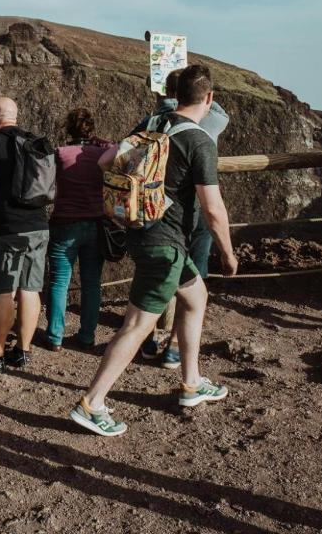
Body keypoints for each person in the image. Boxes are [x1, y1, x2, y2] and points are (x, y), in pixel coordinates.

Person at [70, 64, 238, 437]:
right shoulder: (199, 141)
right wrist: (227, 252)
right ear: (209, 99)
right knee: (135, 325)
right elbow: (212, 208)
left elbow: (104, 162)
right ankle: (91, 404)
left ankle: (192, 384)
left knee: (196, 298)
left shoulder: (151, 124)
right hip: (165, 245)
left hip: (144, 232)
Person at [139, 68, 230, 367]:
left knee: (152, 284)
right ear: (207, 96)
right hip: (191, 218)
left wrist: (162, 101)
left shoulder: (151, 121)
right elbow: (220, 112)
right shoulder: (207, 124)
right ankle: (176, 348)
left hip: (150, 218)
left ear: (167, 92)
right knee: (195, 277)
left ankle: (148, 342)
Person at [0, 97, 50, 372]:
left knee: (2, 291)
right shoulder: (31, 141)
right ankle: (23, 351)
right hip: (38, 226)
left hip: (6, 228)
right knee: (30, 288)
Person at [44, 108, 112, 352]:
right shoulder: (103, 153)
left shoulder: (60, 153)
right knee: (92, 283)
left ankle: (54, 337)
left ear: (68, 129)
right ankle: (86, 336)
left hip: (64, 223)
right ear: (91, 128)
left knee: (58, 282)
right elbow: (117, 147)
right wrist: (98, 141)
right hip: (95, 223)